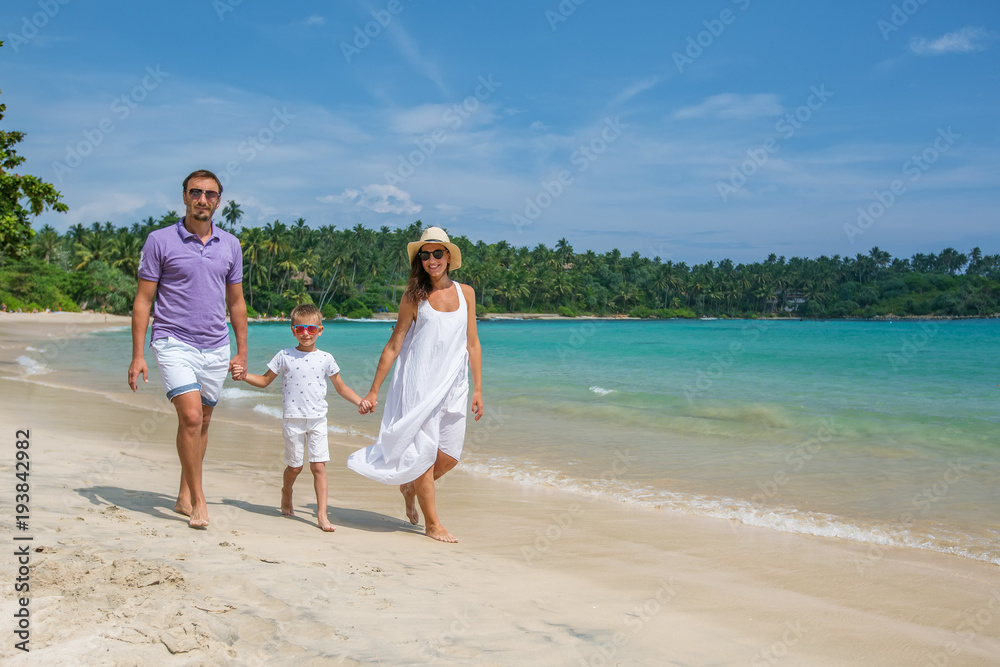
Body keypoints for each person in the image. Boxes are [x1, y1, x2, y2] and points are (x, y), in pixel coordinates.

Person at [128, 169, 248, 529]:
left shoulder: (230, 244)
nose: (202, 199)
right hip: (172, 340)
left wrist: (241, 351)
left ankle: (183, 493)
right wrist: (138, 355)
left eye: (210, 194)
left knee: (203, 421)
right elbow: (143, 301)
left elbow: (237, 303)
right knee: (192, 417)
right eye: (195, 192)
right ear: (184, 197)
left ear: (218, 201)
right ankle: (199, 499)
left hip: (215, 344)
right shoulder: (160, 240)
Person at [348, 227, 483, 543]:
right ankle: (432, 523)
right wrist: (373, 390)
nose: (432, 260)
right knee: (423, 454)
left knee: (448, 455)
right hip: (418, 385)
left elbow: (473, 343)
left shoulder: (467, 294)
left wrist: (477, 389)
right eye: (425, 254)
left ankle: (409, 486)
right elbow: (394, 344)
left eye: (437, 253)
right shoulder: (414, 297)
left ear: (448, 256)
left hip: (454, 385)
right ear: (419, 260)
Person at [231, 304, 372, 532]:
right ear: (293, 330)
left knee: (319, 467)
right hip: (293, 419)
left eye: (311, 329)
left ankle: (322, 515)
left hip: (318, 420)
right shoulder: (284, 356)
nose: (305, 333)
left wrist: (360, 402)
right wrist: (245, 376)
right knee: (295, 467)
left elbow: (341, 387)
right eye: (299, 329)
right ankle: (287, 491)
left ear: (320, 330)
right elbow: (265, 381)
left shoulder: (326, 358)